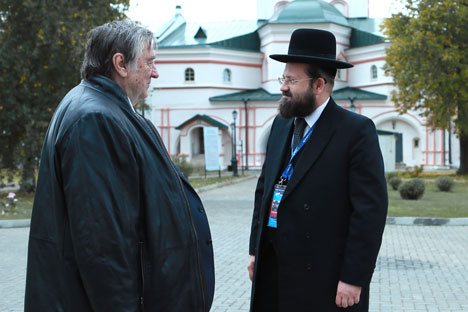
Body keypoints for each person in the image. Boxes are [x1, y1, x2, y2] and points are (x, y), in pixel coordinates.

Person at [25, 20, 214, 312]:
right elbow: (102, 247)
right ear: (120, 64)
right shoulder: (94, 120)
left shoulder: (108, 111)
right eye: (149, 62)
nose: (156, 72)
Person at [247, 28, 388, 311]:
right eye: (282, 78)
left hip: (324, 276)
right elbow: (264, 190)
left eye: (291, 80)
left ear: (319, 85)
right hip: (274, 267)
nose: (283, 87)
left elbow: (369, 212)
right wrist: (255, 249)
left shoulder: (355, 131)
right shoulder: (281, 124)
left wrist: (354, 278)